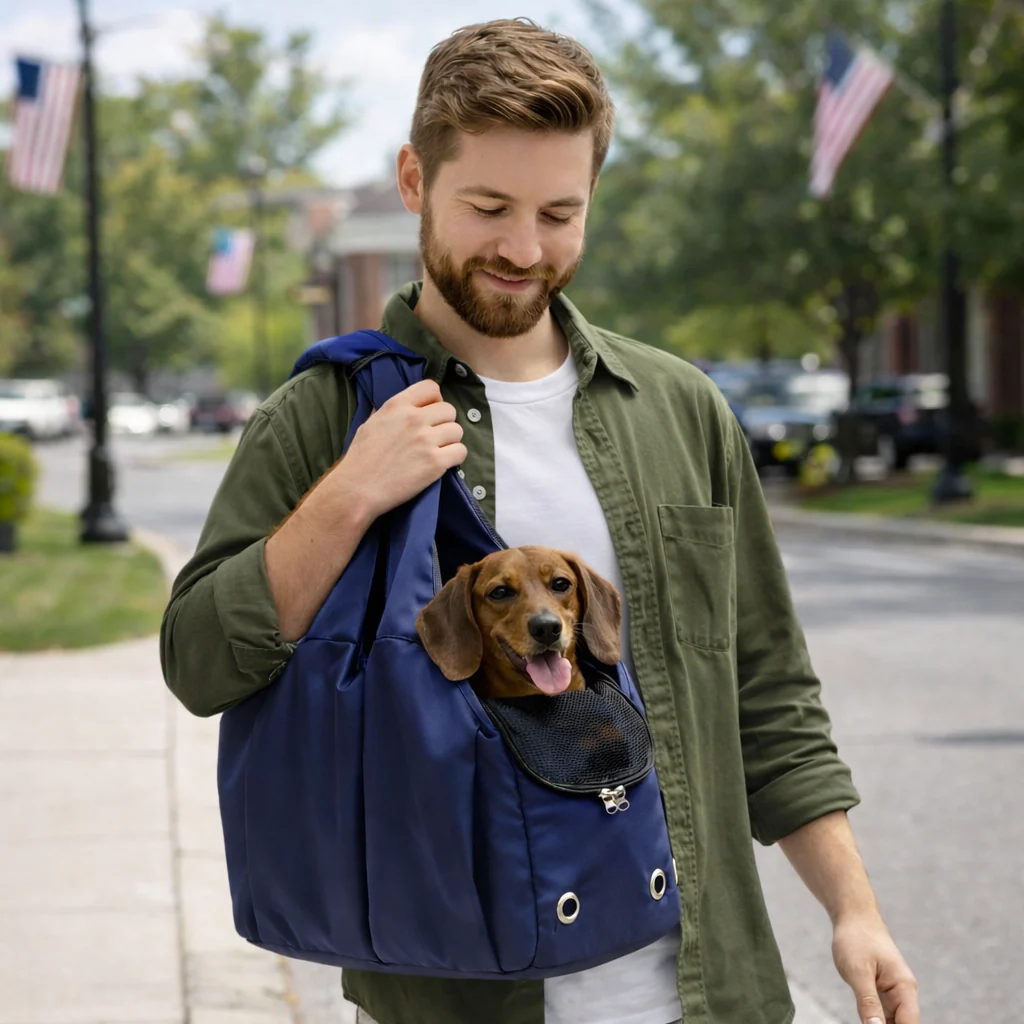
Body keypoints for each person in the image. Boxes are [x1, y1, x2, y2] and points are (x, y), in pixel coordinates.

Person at [161, 18, 919, 1024]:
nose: (524, 249)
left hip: (699, 990)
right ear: (413, 181)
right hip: (451, 999)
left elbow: (765, 689)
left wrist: (853, 909)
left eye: (559, 212)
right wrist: (350, 494)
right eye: (488, 206)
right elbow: (200, 662)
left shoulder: (678, 408)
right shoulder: (323, 414)